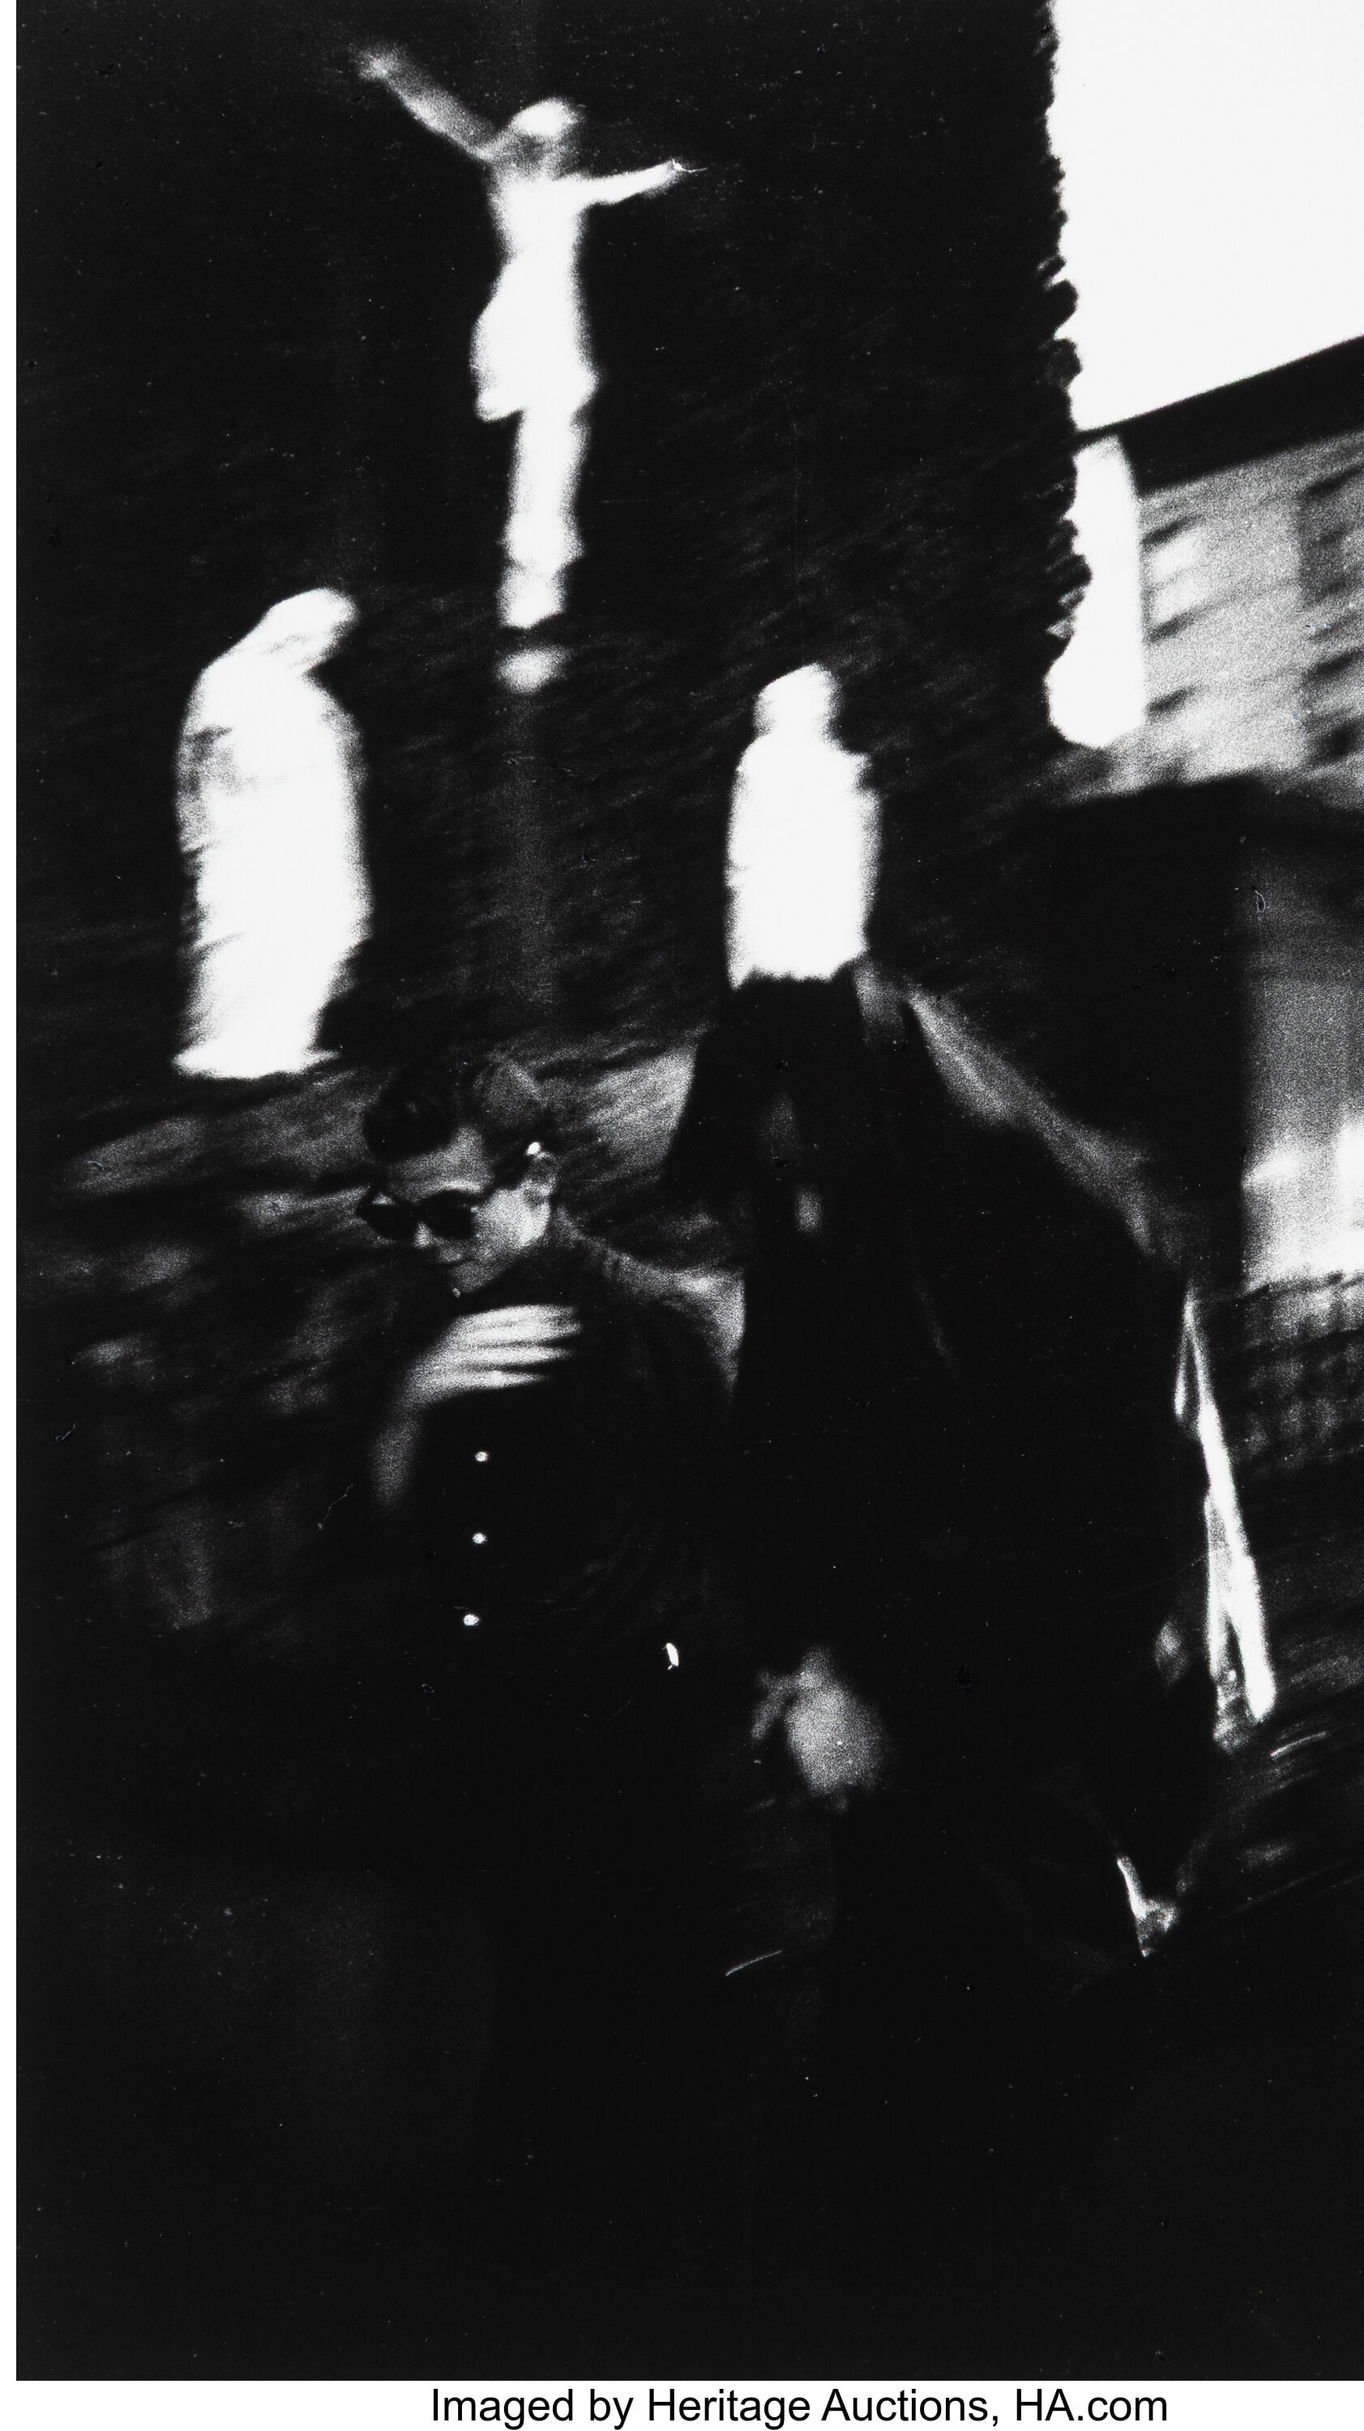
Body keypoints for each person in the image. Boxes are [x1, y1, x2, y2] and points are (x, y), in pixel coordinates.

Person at [664, 669, 1274, 2353]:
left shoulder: (1034, 1232)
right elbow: (774, 1471)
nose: (776, 1212)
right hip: (916, 1811)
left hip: (1040, 1811)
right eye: (762, 1185)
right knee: (894, 2182)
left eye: (797, 1177)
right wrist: (794, 1663)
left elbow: (1091, 1568)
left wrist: (883, 1703)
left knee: (1007, 2218)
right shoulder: (822, 1222)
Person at [358, 1048, 825, 2346]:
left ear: (539, 1179)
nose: (427, 1242)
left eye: (453, 1209)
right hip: (511, 1770)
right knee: (543, 2065)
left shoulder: (647, 1324)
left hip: (650, 1771)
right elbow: (382, 1542)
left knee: (671, 2083)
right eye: (391, 1214)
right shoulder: (417, 1326)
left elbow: (764, 1523)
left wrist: (739, 1688)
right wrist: (412, 1407)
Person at [358, 46, 691, 633]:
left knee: (561, 434)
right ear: (536, 141)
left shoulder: (570, 188)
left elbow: (613, 188)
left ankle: (541, 568)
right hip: (525, 314)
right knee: (553, 423)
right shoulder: (507, 171)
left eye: (571, 140)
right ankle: (530, 563)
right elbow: (448, 118)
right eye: (559, 139)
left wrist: (660, 176)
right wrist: (400, 76)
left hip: (557, 316)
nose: (568, 149)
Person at [174, 589, 368, 1081]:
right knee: (244, 938)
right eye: (316, 636)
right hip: (245, 839)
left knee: (307, 935)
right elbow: (194, 768)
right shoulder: (224, 680)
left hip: (307, 843)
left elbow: (337, 779)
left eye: (331, 642)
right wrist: (199, 837)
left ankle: (284, 1044)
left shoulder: (312, 700)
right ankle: (230, 1052)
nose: (321, 650)